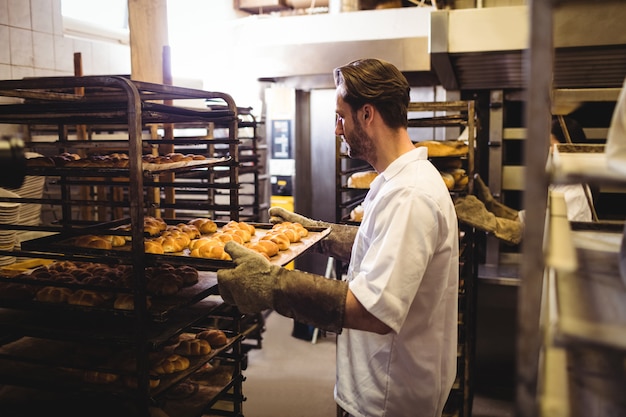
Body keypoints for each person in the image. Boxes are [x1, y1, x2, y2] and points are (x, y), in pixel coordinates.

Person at [217, 58, 459, 417]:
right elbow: (374, 244)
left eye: (340, 116)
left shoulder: (411, 195)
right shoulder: (398, 181)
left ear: (366, 115)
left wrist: (273, 285)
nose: (336, 129)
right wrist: (315, 232)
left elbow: (373, 311)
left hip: (389, 398)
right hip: (377, 387)